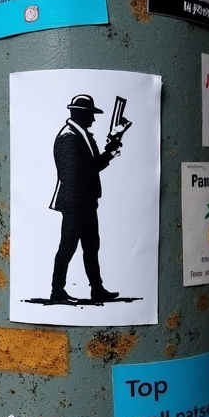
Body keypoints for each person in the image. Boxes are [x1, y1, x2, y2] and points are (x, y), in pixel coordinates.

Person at [49, 94, 122, 303]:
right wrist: (110, 150)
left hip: (86, 202)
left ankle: (97, 289)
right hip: (74, 203)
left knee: (91, 246)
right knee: (68, 246)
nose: (93, 119)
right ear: (81, 114)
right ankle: (57, 291)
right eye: (90, 114)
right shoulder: (68, 137)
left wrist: (110, 149)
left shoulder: (83, 135)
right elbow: (78, 171)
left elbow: (94, 165)